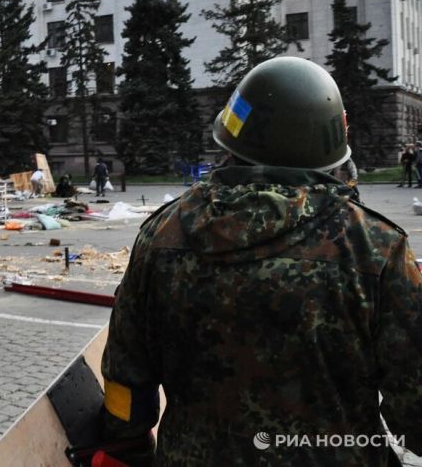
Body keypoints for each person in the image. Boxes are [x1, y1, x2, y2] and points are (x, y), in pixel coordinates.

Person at [93, 57, 422, 466]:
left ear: (232, 139)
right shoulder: (374, 247)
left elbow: (126, 377)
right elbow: (415, 407)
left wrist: (129, 449)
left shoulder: (160, 235)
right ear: (332, 144)